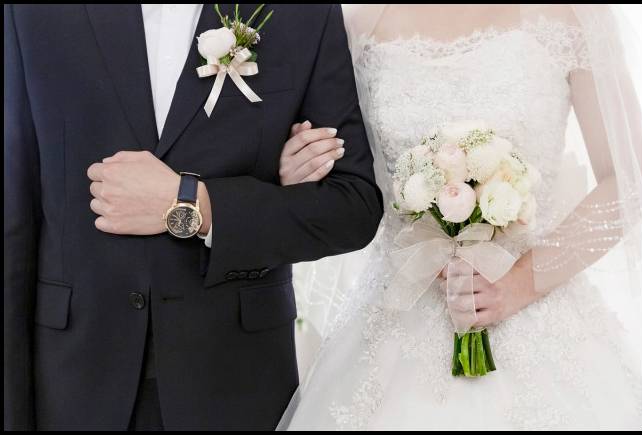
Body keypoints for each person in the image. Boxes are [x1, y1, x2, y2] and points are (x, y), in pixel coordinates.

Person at [4, 4, 382, 430]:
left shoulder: (300, 13)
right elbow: (14, 218)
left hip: (236, 381)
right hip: (73, 378)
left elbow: (353, 207)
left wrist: (197, 205)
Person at [277, 4, 642, 430]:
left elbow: (630, 179)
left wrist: (521, 283)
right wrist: (296, 170)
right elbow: (345, 178)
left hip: (540, 311)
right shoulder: (359, 23)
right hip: (400, 311)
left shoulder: (571, 15)